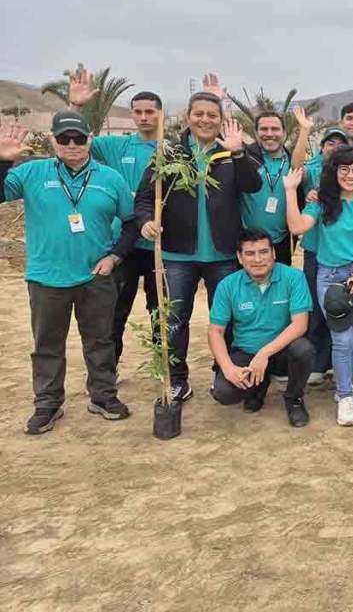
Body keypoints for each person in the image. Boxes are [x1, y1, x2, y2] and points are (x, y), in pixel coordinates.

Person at [0, 114, 135, 434]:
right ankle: (47, 403)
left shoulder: (110, 178)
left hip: (96, 277)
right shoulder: (31, 172)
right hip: (46, 277)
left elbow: (131, 222)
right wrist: (3, 162)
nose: (71, 145)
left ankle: (103, 396)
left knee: (100, 340)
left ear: (90, 138)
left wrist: (115, 257)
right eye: (64, 139)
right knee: (47, 343)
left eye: (78, 138)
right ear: (53, 140)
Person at [137, 78, 262, 402]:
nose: (206, 120)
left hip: (222, 255)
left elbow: (253, 185)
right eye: (199, 114)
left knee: (230, 319)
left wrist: (238, 153)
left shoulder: (230, 152)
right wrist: (146, 222)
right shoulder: (170, 153)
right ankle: (177, 380)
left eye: (212, 115)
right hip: (179, 254)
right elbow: (145, 198)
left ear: (221, 120)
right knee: (175, 321)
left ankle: (228, 374)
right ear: (188, 116)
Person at [284, 145, 353, 426]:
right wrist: (289, 191)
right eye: (344, 169)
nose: (350, 175)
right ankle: (344, 396)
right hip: (332, 279)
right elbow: (296, 227)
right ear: (334, 171)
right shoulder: (322, 202)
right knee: (342, 338)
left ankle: (346, 388)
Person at [68, 76, 162, 368]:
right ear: (132, 114)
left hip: (160, 245)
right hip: (121, 244)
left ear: (160, 113)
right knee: (115, 311)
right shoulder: (114, 146)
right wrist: (76, 106)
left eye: (150, 111)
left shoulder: (171, 152)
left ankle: (164, 369)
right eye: (138, 111)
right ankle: (108, 370)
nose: (144, 117)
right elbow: (73, 141)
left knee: (161, 310)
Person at [207, 229, 314, 427]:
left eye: (264, 252)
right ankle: (258, 386)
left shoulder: (294, 278)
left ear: (273, 253)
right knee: (224, 393)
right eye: (250, 253)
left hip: (282, 352)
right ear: (240, 257)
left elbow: (300, 324)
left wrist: (264, 353)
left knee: (303, 349)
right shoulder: (227, 285)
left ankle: (294, 399)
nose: (258, 259)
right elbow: (215, 331)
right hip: (246, 352)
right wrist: (228, 368)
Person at [291, 123, 348, 385]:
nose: (334, 148)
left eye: (340, 144)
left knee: (340, 309)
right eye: (330, 143)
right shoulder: (313, 172)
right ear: (322, 147)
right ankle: (318, 362)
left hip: (342, 253)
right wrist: (304, 131)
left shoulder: (349, 175)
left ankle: (339, 362)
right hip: (315, 251)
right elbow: (295, 167)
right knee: (315, 305)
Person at [239, 109, 309, 266]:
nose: (269, 133)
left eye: (275, 129)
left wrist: (305, 130)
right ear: (256, 133)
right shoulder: (245, 158)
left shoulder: (290, 160)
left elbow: (298, 168)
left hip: (281, 241)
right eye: (264, 129)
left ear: (284, 133)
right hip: (248, 242)